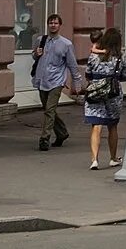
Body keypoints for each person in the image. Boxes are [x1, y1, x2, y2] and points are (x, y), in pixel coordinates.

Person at [31, 13, 81, 152]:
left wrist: (77, 83)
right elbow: (34, 56)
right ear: (48, 25)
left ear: (60, 25)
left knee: (50, 109)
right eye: (51, 23)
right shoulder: (41, 40)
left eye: (55, 23)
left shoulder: (66, 44)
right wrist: (37, 54)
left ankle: (44, 138)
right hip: (41, 79)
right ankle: (62, 133)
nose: (53, 25)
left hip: (56, 81)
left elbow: (72, 65)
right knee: (48, 110)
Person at [82, 29, 126, 170]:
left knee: (96, 126)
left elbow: (88, 74)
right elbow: (124, 76)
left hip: (95, 93)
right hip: (113, 94)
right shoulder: (121, 58)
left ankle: (94, 159)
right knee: (112, 126)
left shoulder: (94, 57)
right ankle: (113, 158)